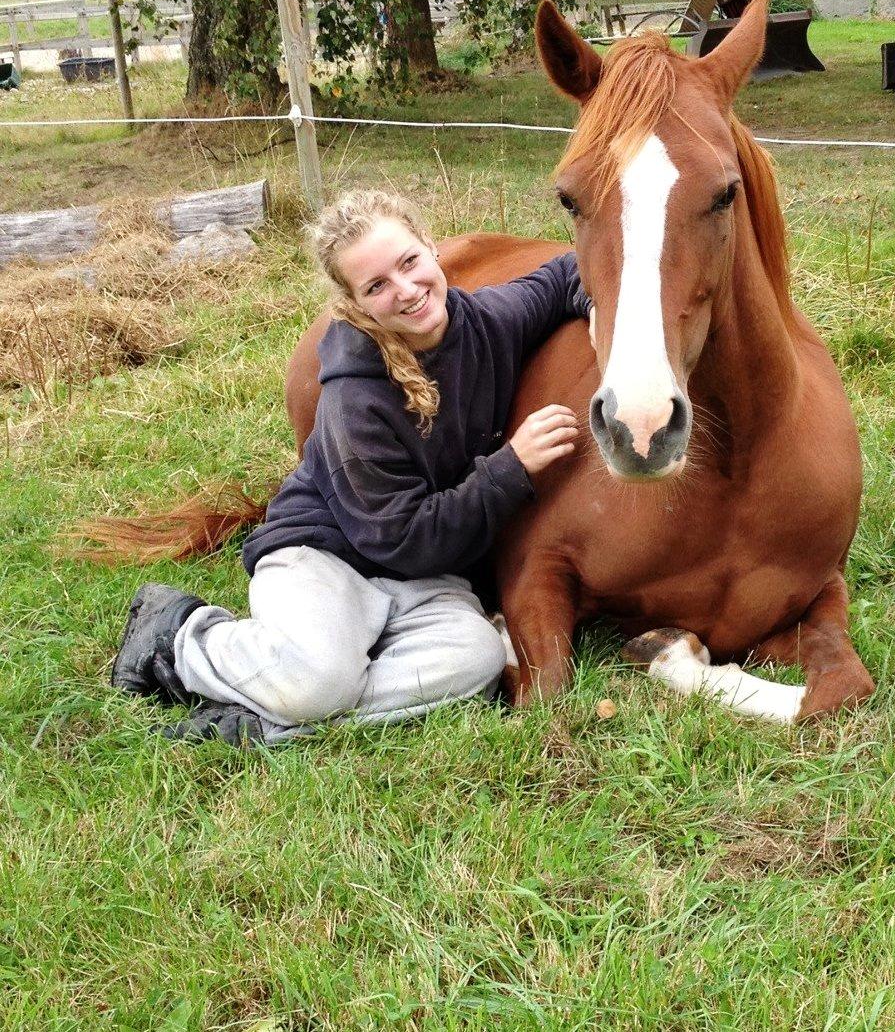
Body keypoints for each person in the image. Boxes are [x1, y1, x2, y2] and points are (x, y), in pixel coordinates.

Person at [111, 188, 592, 745]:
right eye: (377, 286)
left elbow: (567, 272)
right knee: (321, 682)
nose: (406, 290)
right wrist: (511, 467)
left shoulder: (487, 321)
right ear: (355, 303)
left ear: (432, 248)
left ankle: (271, 722)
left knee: (478, 659)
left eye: (409, 262)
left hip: (422, 580)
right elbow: (404, 539)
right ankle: (182, 637)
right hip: (326, 556)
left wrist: (604, 314)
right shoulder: (354, 400)